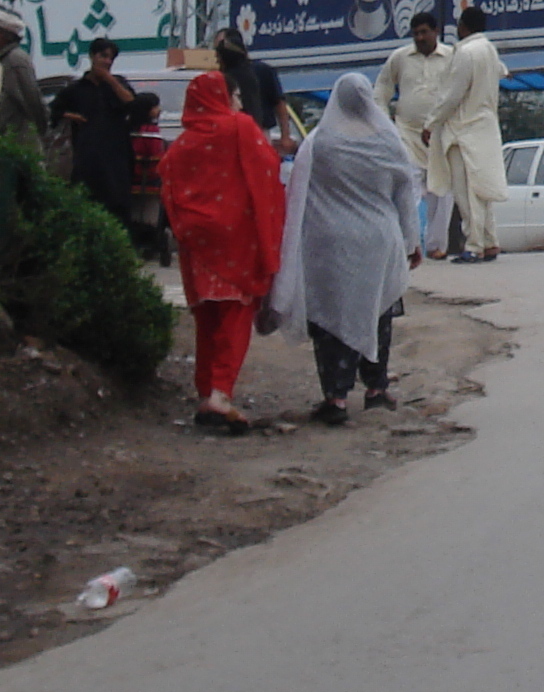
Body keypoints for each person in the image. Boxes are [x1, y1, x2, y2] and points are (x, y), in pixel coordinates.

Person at [269, 74, 422, 426]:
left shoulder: (320, 143)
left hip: (330, 243)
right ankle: (376, 389)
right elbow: (404, 194)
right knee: (378, 312)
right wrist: (411, 242)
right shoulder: (389, 141)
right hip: (378, 241)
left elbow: (298, 192)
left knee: (330, 320)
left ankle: (335, 398)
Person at [160, 70, 286, 433]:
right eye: (235, 96)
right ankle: (219, 394)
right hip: (236, 244)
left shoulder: (182, 144)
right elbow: (268, 171)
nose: (240, 103)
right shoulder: (240, 128)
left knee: (207, 321)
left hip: (198, 246)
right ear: (221, 96)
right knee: (234, 318)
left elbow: (167, 181)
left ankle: (207, 393)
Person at [427, 6, 510, 263]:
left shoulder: (465, 52)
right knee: (482, 189)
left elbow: (452, 94)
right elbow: (502, 72)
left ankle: (474, 246)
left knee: (466, 192)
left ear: (463, 26)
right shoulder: (489, 49)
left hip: (463, 130)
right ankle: (490, 242)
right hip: (484, 127)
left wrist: (431, 123)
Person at [372, 11, 460, 256]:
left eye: (424, 32)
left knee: (442, 192)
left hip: (441, 135)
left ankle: (436, 247)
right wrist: (384, 123)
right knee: (407, 189)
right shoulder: (400, 57)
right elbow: (382, 89)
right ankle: (406, 245)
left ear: (436, 33)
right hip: (406, 134)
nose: (420, 38)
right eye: (416, 34)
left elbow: (460, 92)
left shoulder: (452, 57)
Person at [53, 39, 139, 222]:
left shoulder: (118, 85)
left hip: (116, 157)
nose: (107, 61)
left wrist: (109, 79)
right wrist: (73, 117)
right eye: (103, 56)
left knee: (118, 206)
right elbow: (54, 111)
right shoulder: (77, 89)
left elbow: (131, 103)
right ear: (92, 56)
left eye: (111, 58)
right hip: (88, 158)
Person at [212, 24, 299, 155]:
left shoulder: (261, 71)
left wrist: (285, 136)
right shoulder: (218, 77)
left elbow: (279, 104)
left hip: (258, 133)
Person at [0, 13, 45, 155]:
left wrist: (41, 129)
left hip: (20, 142)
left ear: (2, 35)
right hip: (4, 141)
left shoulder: (16, 60)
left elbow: (32, 99)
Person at [126, 92, 170, 263]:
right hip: (150, 181)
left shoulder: (129, 129)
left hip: (131, 180)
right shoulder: (151, 133)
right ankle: (156, 239)